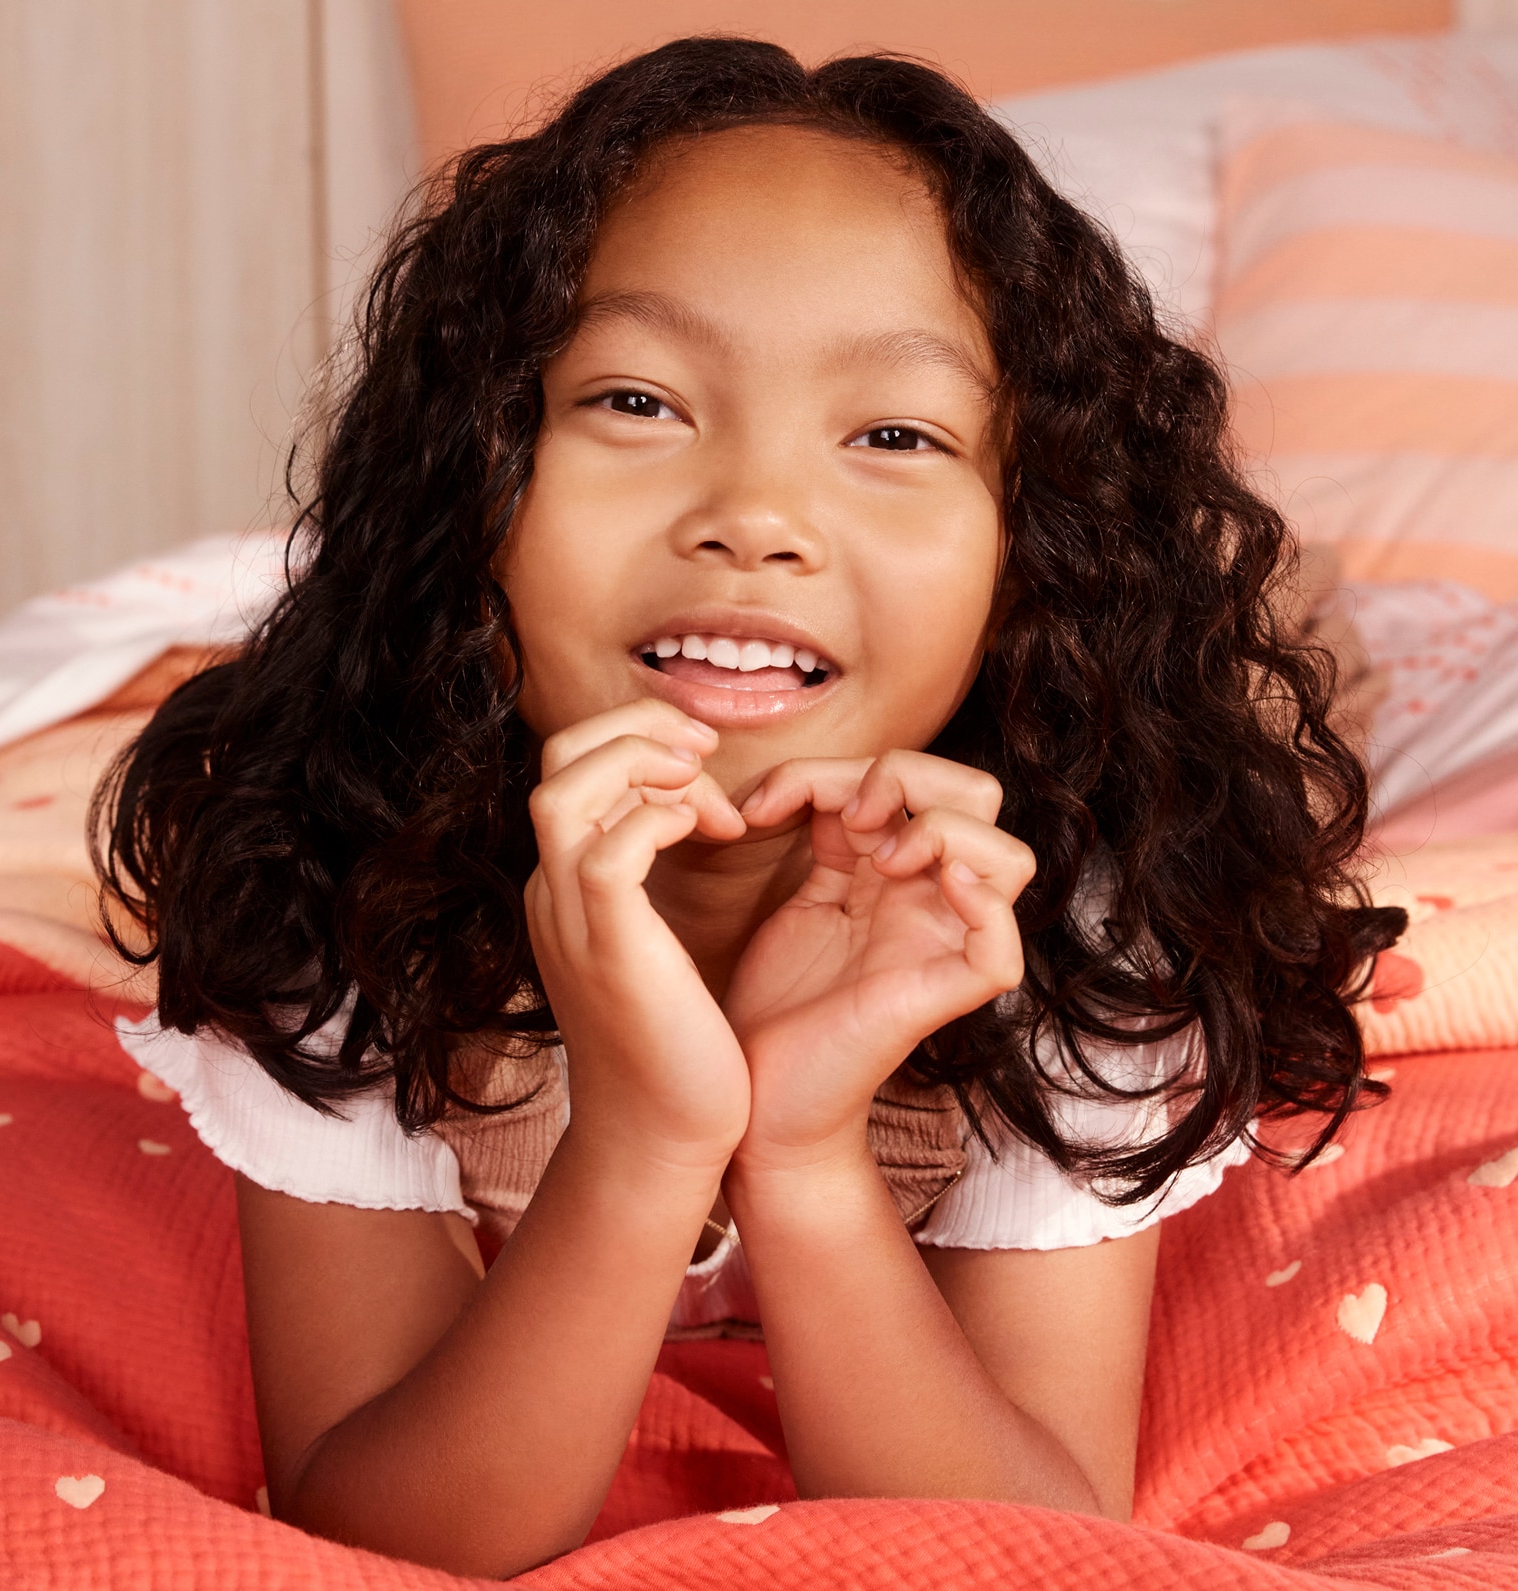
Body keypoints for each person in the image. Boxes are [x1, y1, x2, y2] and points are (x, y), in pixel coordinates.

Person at [96, 38, 1400, 1578]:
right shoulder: (329, 858)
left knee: (1299, 679)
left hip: (1204, 690)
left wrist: (802, 1152)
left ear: (1025, 548)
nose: (755, 521)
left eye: (893, 435)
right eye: (637, 401)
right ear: (472, 476)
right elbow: (386, 1527)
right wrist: (644, 1142)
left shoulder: (1086, 903)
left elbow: (1023, 1551)